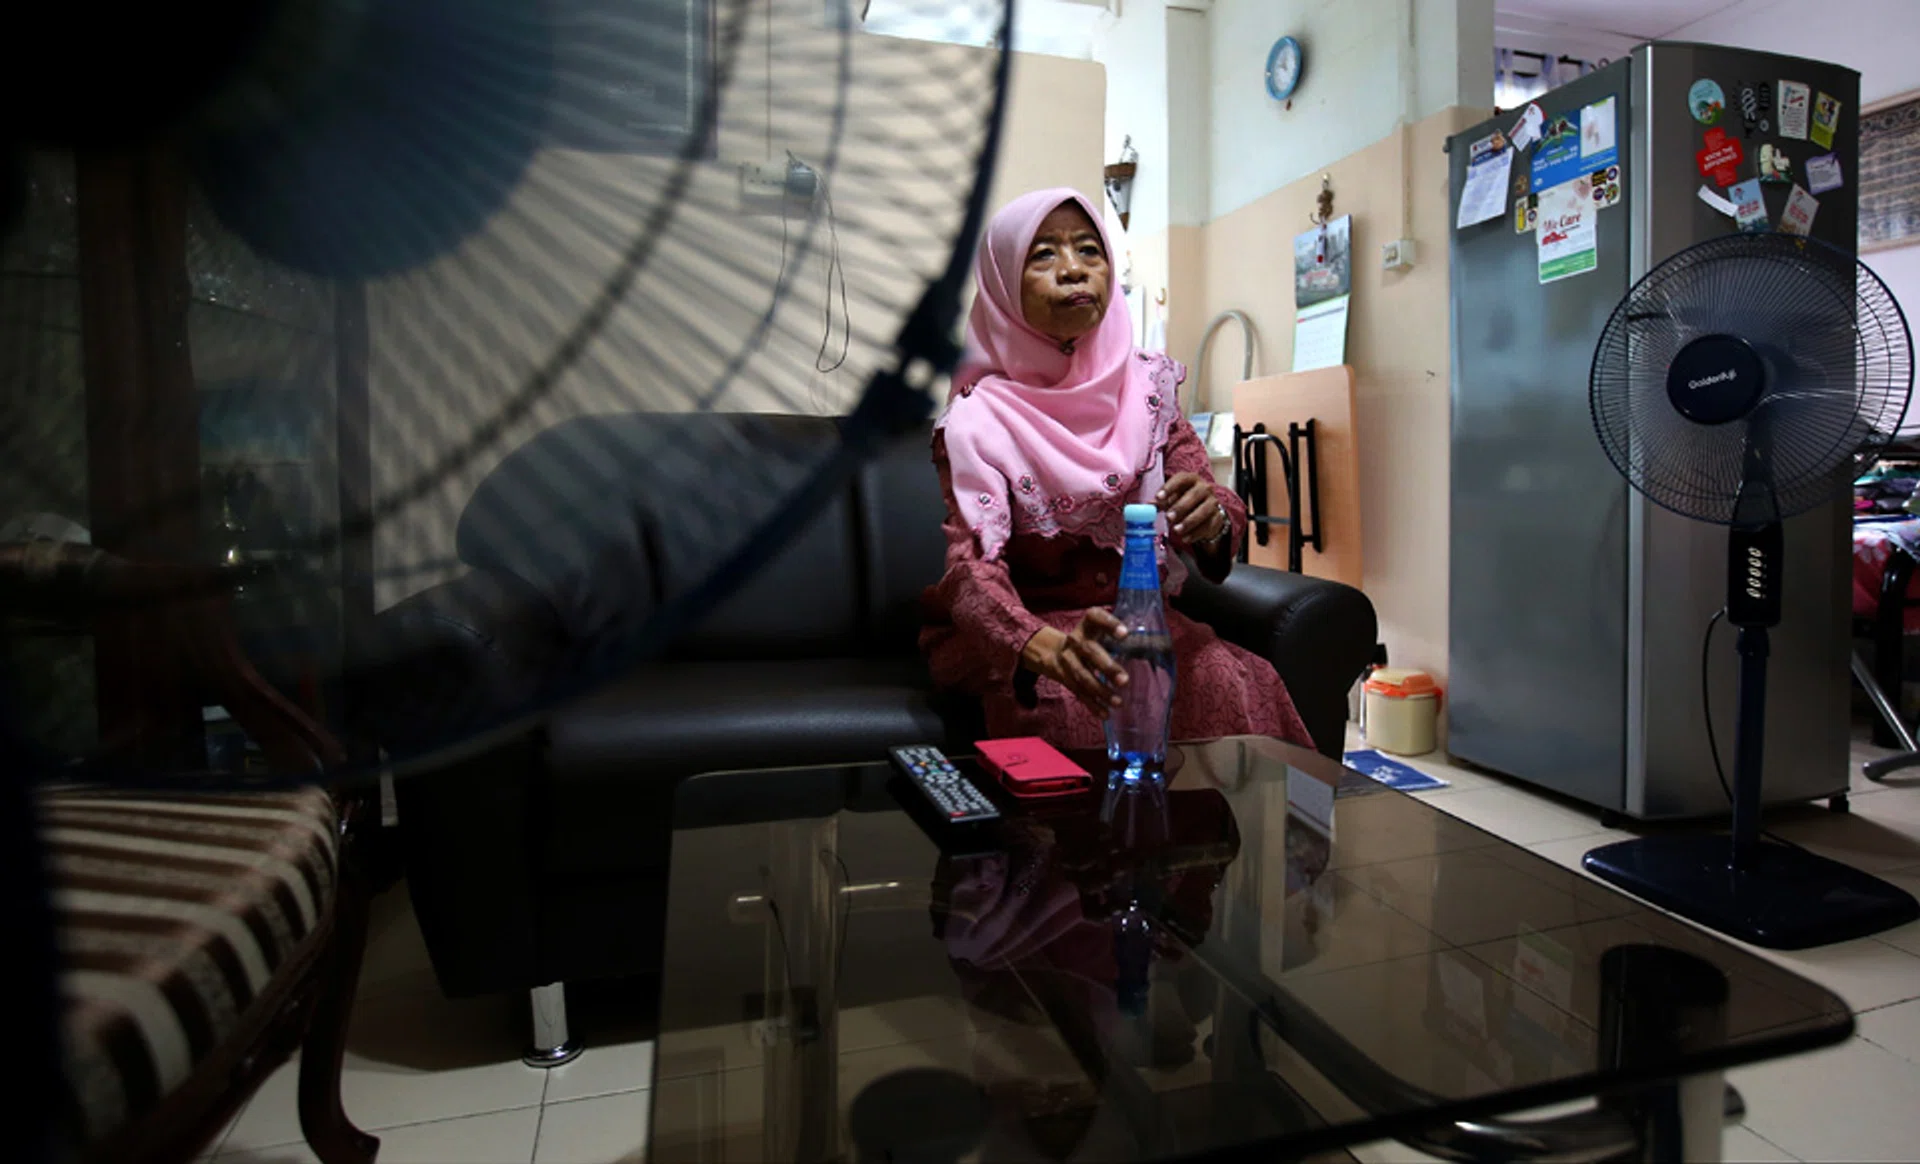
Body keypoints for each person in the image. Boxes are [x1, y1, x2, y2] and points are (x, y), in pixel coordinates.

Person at [920, 188, 1312, 751]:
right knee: (1076, 709)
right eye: (1043, 255)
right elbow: (970, 571)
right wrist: (1040, 645)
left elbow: (1207, 500)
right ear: (1003, 283)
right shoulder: (974, 423)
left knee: (1237, 681)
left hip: (1143, 623)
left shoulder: (1149, 391)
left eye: (1089, 250)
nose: (1074, 270)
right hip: (1037, 634)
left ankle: (1251, 841)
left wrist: (1211, 520)